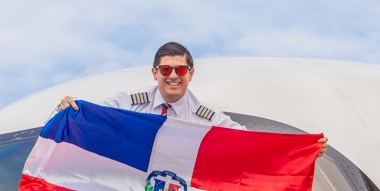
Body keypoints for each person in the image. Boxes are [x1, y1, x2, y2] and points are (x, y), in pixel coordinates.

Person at [57, 41, 327, 154]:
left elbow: (248, 142)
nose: (173, 76)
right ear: (154, 73)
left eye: (181, 70)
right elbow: (92, 116)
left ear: (191, 73)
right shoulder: (129, 103)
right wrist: (68, 110)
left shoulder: (206, 118)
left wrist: (298, 149)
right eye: (166, 70)